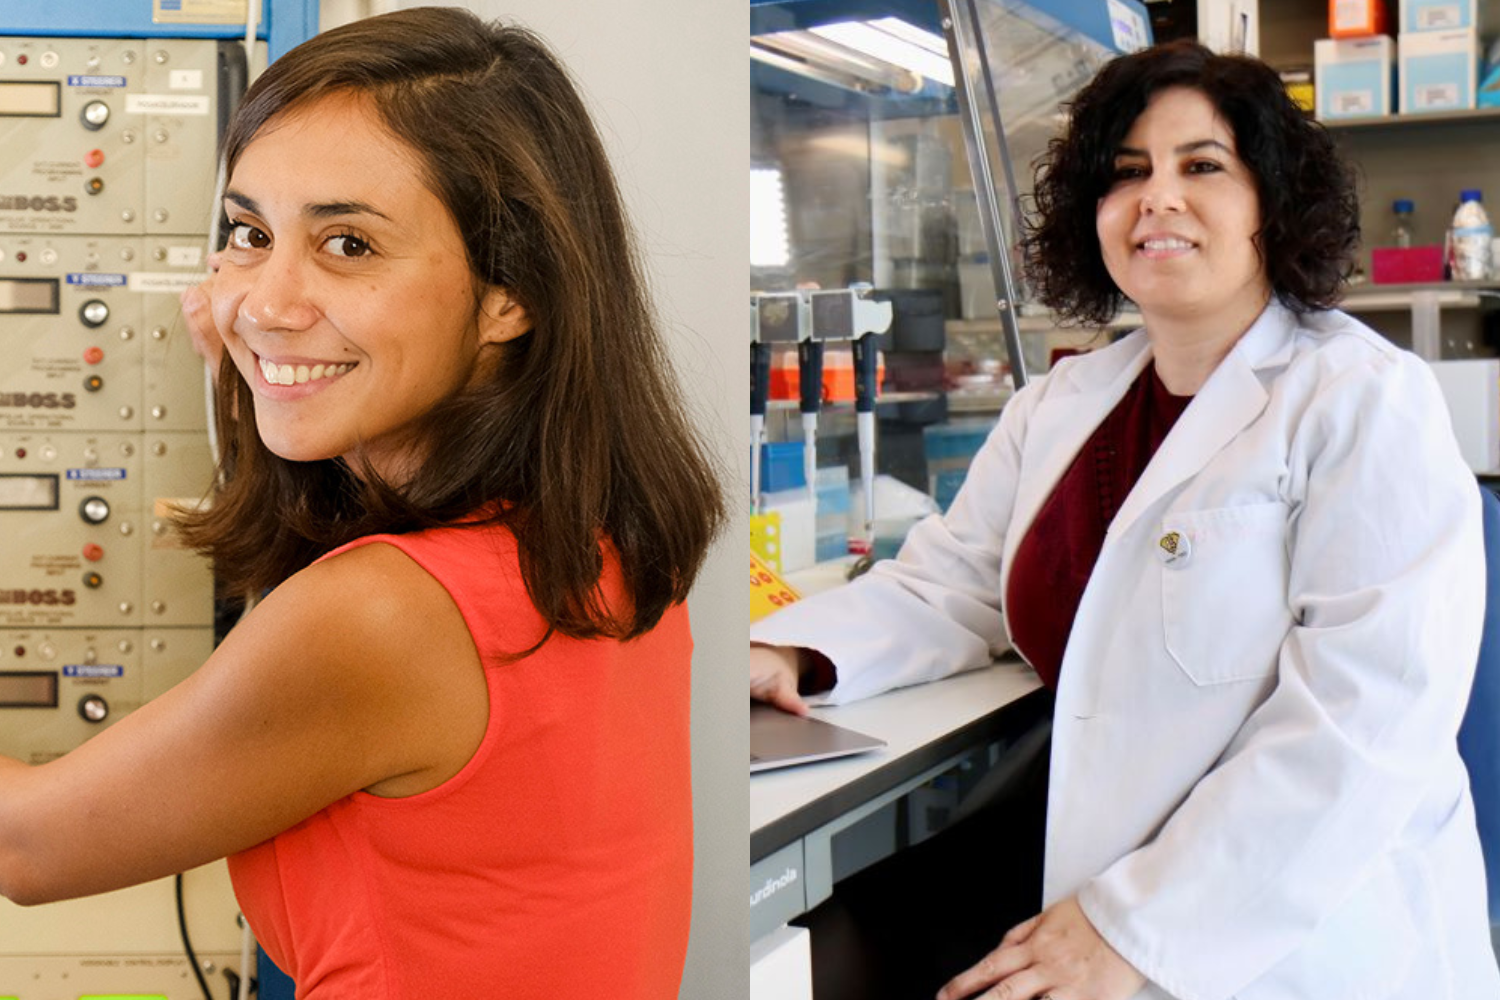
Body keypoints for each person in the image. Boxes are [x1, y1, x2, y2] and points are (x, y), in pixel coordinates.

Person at [751, 39, 1499, 1000]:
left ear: (1271, 199)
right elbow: (953, 583)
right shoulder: (1063, 406)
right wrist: (794, 655)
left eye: (1203, 167)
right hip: (1104, 880)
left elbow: (1363, 722)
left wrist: (1135, 928)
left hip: (1300, 932)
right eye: (1127, 173)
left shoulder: (1360, 399)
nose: (1158, 199)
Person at [0, 8, 724, 999]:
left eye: (347, 244)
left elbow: (26, 847)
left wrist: (274, 373)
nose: (264, 299)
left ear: (512, 292)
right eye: (249, 234)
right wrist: (256, 380)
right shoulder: (604, 544)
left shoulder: (380, 619)